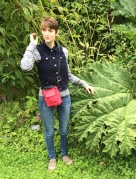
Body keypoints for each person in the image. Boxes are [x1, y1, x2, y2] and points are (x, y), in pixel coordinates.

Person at [20, 16, 94, 170]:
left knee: (64, 130)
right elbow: (25, 67)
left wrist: (83, 83)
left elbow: (68, 75)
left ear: (56, 32)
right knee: (49, 131)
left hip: (64, 96)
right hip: (46, 97)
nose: (47, 33)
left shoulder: (63, 51)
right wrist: (31, 46)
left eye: (50, 30)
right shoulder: (37, 51)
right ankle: (52, 157)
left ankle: (64, 154)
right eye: (44, 30)